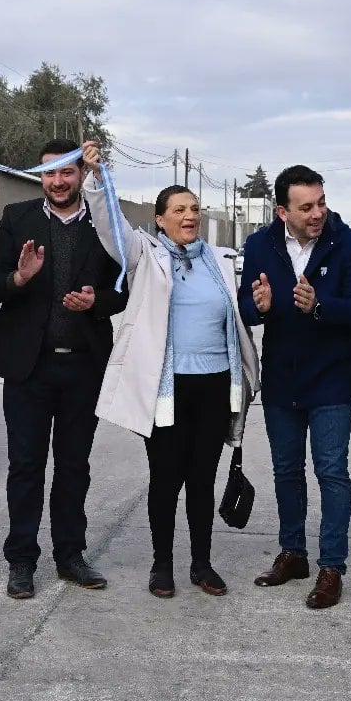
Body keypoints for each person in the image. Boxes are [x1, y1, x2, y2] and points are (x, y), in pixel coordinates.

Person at [82, 142, 259, 599]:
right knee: (166, 481)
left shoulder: (221, 260)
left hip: (216, 385)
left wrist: (260, 305)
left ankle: (202, 563)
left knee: (202, 480)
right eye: (179, 209)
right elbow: (110, 227)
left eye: (195, 208)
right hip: (168, 389)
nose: (189, 215)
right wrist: (98, 179)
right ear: (160, 219)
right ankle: (163, 564)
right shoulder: (145, 255)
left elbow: (238, 316)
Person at [0, 139, 128, 600]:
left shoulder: (106, 222)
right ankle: (22, 560)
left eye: (67, 173)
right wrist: (20, 278)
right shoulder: (17, 218)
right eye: (49, 174)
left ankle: (70, 555)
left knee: (73, 467)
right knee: (25, 466)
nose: (58, 182)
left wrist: (96, 302)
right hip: (29, 369)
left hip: (83, 367)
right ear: (39, 178)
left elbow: (123, 290)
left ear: (81, 175)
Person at [237, 164, 351, 609]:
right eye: (306, 206)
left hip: (331, 379)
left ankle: (332, 566)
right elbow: (247, 308)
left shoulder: (350, 244)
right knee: (286, 471)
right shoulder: (259, 245)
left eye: (321, 202)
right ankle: (293, 553)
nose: (317, 213)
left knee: (332, 473)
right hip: (282, 379)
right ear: (282, 211)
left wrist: (320, 306)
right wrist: (259, 307)